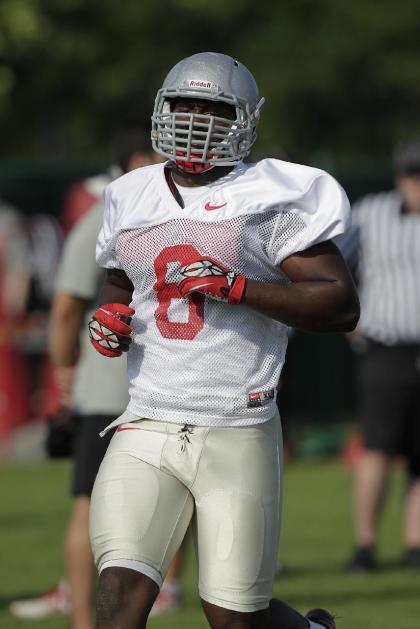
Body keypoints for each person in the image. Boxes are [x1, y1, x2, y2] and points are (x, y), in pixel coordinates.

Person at [88, 52, 359, 629]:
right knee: (117, 600)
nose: (193, 119)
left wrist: (239, 287)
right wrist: (110, 318)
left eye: (210, 108)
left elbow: (338, 303)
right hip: (147, 421)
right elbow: (119, 282)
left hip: (236, 427)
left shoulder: (269, 197)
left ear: (242, 121)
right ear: (162, 109)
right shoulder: (128, 194)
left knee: (235, 619)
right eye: (183, 105)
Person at [9, 129, 184, 627]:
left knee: (180, 496)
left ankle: (166, 589)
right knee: (91, 506)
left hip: (164, 386)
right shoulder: (105, 217)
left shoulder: (173, 215)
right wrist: (66, 380)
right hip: (109, 390)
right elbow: (66, 308)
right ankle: (83, 619)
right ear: (134, 160)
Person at [338, 138, 420, 573]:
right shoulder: (370, 215)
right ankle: (364, 546)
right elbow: (334, 267)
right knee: (377, 448)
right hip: (386, 349)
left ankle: (414, 545)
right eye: (412, 175)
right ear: (399, 177)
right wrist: (352, 324)